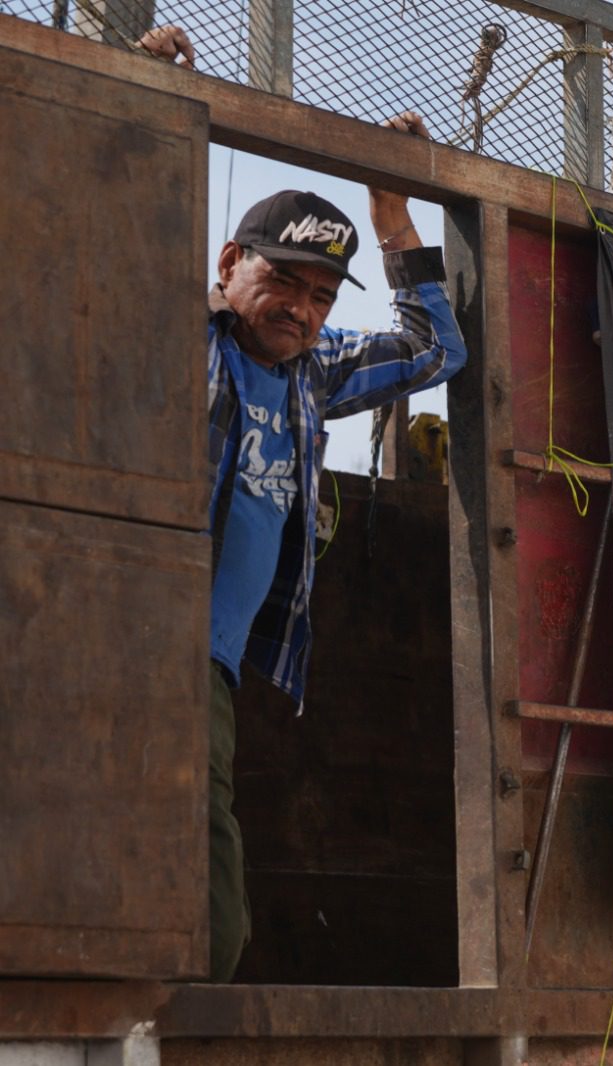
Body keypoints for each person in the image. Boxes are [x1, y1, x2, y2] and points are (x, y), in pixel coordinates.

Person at [203, 115, 467, 981]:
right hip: (130, 638)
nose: (302, 309)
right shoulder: (183, 337)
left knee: (209, 912)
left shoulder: (310, 372)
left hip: (215, 672)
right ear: (227, 266)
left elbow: (436, 347)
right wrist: (141, 91)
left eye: (322, 296)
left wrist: (390, 211)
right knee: (200, 918)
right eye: (283, 280)